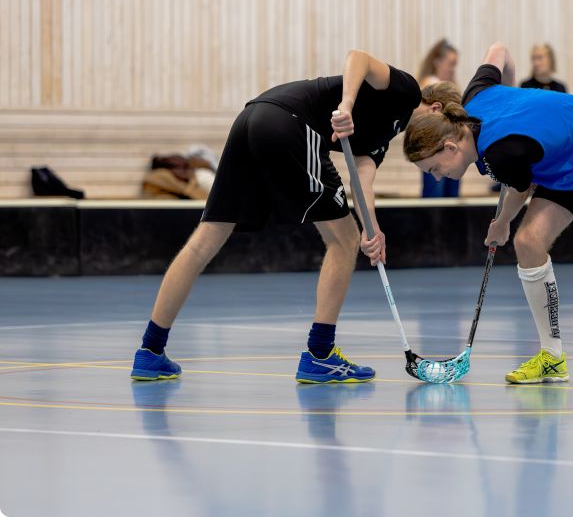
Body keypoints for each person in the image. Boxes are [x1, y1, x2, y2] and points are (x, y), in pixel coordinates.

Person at [130, 51, 443, 384]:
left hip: (253, 118)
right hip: (289, 120)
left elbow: (361, 179)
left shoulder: (382, 139)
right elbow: (358, 58)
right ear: (434, 107)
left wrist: (373, 230)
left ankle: (150, 352)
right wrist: (347, 104)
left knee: (206, 239)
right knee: (343, 239)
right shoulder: (407, 92)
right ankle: (320, 354)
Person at [404, 43, 573, 388]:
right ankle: (552, 357)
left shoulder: (504, 150)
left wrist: (502, 222)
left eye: (433, 168)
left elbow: (520, 188)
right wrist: (508, 88)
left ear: (450, 147)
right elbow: (499, 50)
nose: (435, 177)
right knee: (528, 243)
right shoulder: (475, 94)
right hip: (565, 163)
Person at [418, 39, 462, 197]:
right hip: (434, 151)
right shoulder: (430, 84)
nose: (453, 68)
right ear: (437, 61)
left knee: (451, 201)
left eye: (455, 64)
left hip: (452, 151)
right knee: (434, 199)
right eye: (451, 63)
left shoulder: (449, 85)